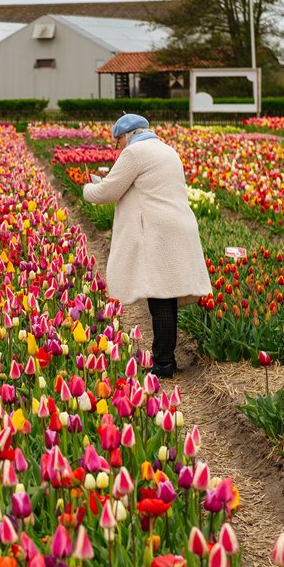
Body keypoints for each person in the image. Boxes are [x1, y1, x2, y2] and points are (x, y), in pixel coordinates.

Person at [81, 114, 211, 379]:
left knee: (160, 297)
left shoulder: (134, 153)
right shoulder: (166, 150)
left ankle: (163, 364)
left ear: (126, 135)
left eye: (117, 140)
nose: (118, 147)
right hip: (177, 227)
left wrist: (86, 188)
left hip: (157, 232)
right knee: (167, 296)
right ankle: (166, 360)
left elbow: (108, 192)